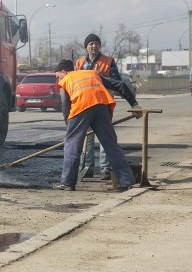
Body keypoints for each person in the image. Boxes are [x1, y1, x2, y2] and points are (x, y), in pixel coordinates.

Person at [53, 59, 141, 191]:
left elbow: (66, 104)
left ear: (64, 72)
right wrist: (134, 104)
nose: (57, 79)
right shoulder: (92, 74)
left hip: (81, 107)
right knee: (111, 145)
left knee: (71, 146)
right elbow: (120, 85)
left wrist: (69, 125)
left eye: (57, 76)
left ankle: (67, 182)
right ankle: (127, 180)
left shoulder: (66, 80)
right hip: (101, 106)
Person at [75, 33, 122, 180]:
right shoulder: (79, 63)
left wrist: (99, 78)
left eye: (96, 43)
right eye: (91, 44)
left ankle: (106, 169)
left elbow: (117, 81)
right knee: (87, 137)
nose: (93, 46)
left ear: (99, 45)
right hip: (85, 104)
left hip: (103, 104)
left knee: (104, 137)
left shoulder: (108, 61)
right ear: (86, 47)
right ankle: (87, 168)